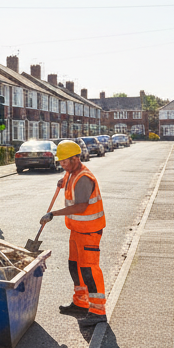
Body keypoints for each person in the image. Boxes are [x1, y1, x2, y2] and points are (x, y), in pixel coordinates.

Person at [40, 139, 106, 327]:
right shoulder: (71, 173)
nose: (61, 164)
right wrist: (64, 180)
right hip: (77, 231)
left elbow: (81, 206)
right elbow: (68, 179)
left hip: (89, 232)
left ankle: (97, 310)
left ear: (76, 159)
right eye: (60, 161)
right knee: (74, 266)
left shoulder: (84, 178)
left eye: (64, 161)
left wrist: (53, 213)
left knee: (89, 270)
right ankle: (81, 303)